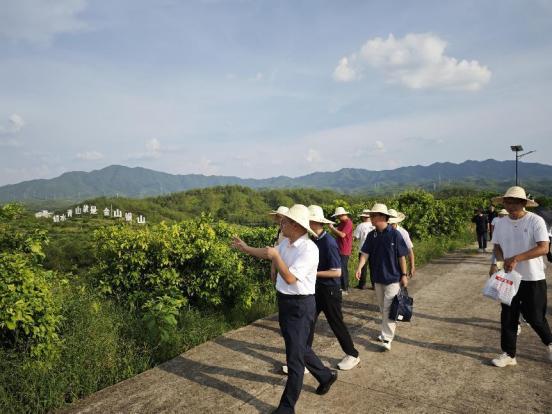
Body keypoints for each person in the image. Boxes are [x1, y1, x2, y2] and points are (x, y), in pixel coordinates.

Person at [231, 204, 337, 413]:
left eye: (285, 221)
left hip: (300, 305)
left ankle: (286, 407)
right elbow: (267, 253)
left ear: (296, 225)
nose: (281, 223)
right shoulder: (287, 243)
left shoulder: (309, 249)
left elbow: (289, 278)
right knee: (300, 348)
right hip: (286, 304)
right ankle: (325, 375)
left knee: (294, 360)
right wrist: (245, 247)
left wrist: (275, 257)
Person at [489, 186, 552, 367]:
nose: (510, 205)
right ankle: (509, 354)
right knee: (508, 316)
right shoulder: (500, 223)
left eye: (515, 202)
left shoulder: (535, 221)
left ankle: (549, 343)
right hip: (510, 278)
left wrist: (516, 258)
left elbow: (543, 247)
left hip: (533, 277)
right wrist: (498, 264)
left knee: (535, 317)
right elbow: (498, 247)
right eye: (508, 202)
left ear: (524, 203)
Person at [307, 205, 360, 371]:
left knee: (336, 323)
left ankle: (352, 354)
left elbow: (337, 272)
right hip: (316, 289)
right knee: (307, 323)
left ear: (314, 222)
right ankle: (304, 358)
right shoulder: (313, 240)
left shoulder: (328, 242)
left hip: (330, 291)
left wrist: (312, 273)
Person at [354, 203, 409, 351]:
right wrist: (359, 267)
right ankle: (385, 332)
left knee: (389, 308)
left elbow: (402, 256)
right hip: (377, 278)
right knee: (382, 307)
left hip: (393, 278)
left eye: (373, 215)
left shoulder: (395, 234)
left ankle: (387, 338)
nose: (370, 218)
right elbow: (365, 253)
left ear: (382, 217)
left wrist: (404, 274)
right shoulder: (372, 235)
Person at [328, 207, 353, 294]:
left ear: (342, 215)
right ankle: (341, 286)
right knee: (339, 267)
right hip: (339, 247)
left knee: (343, 268)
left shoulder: (348, 223)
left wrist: (332, 228)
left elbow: (342, 235)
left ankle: (345, 288)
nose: (338, 218)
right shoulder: (342, 223)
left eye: (338, 216)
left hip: (344, 249)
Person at [388, 209, 415, 278]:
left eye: (392, 224)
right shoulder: (382, 232)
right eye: (389, 223)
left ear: (397, 222)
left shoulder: (403, 232)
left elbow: (410, 250)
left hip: (399, 263)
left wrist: (412, 266)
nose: (390, 225)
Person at [353, 209, 375, 289]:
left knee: (362, 268)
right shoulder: (374, 224)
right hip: (374, 250)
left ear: (363, 217)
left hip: (363, 249)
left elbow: (355, 237)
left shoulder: (360, 225)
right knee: (373, 268)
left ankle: (362, 284)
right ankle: (374, 285)